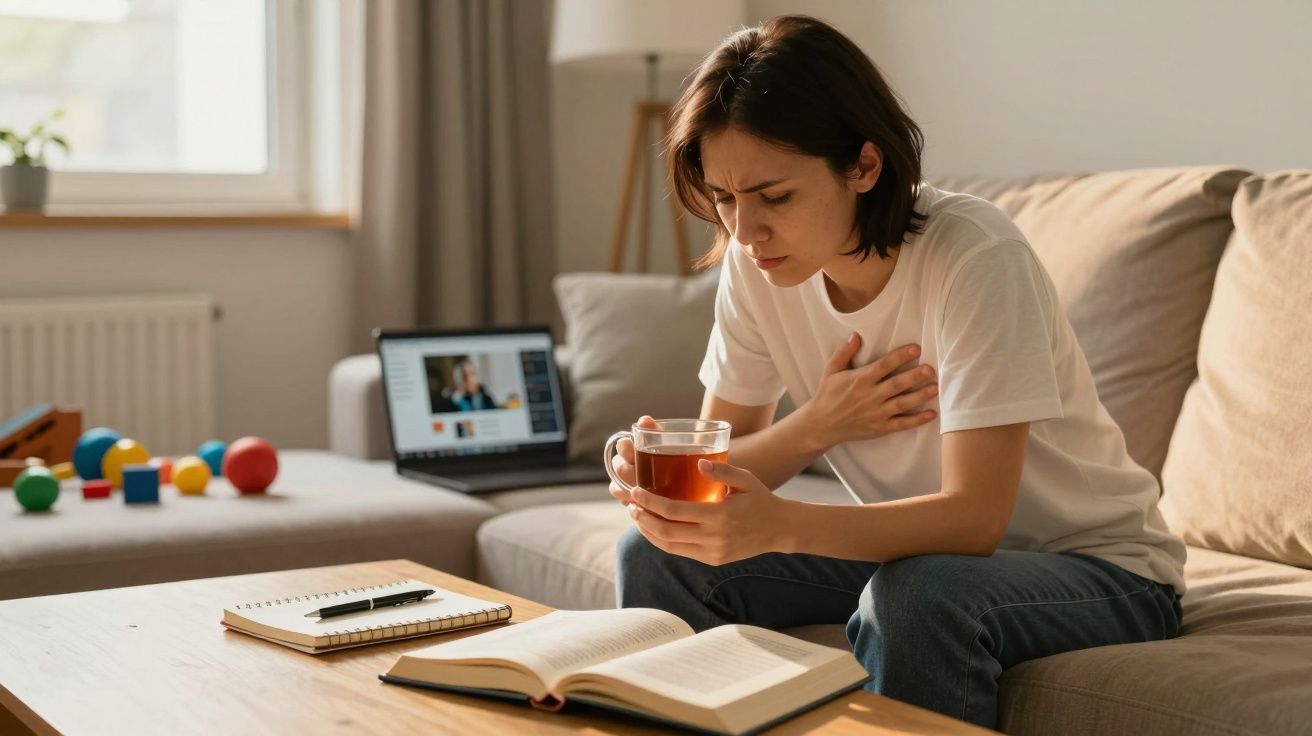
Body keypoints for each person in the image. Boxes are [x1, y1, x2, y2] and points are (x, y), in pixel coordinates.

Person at [607, 15, 1185, 730]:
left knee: (916, 594)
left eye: (774, 196)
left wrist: (781, 523)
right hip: (924, 556)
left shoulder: (973, 258)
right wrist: (814, 427)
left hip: (1098, 570)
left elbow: (975, 521)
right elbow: (727, 466)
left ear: (865, 166)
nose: (745, 230)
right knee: (659, 554)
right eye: (725, 199)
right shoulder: (755, 266)